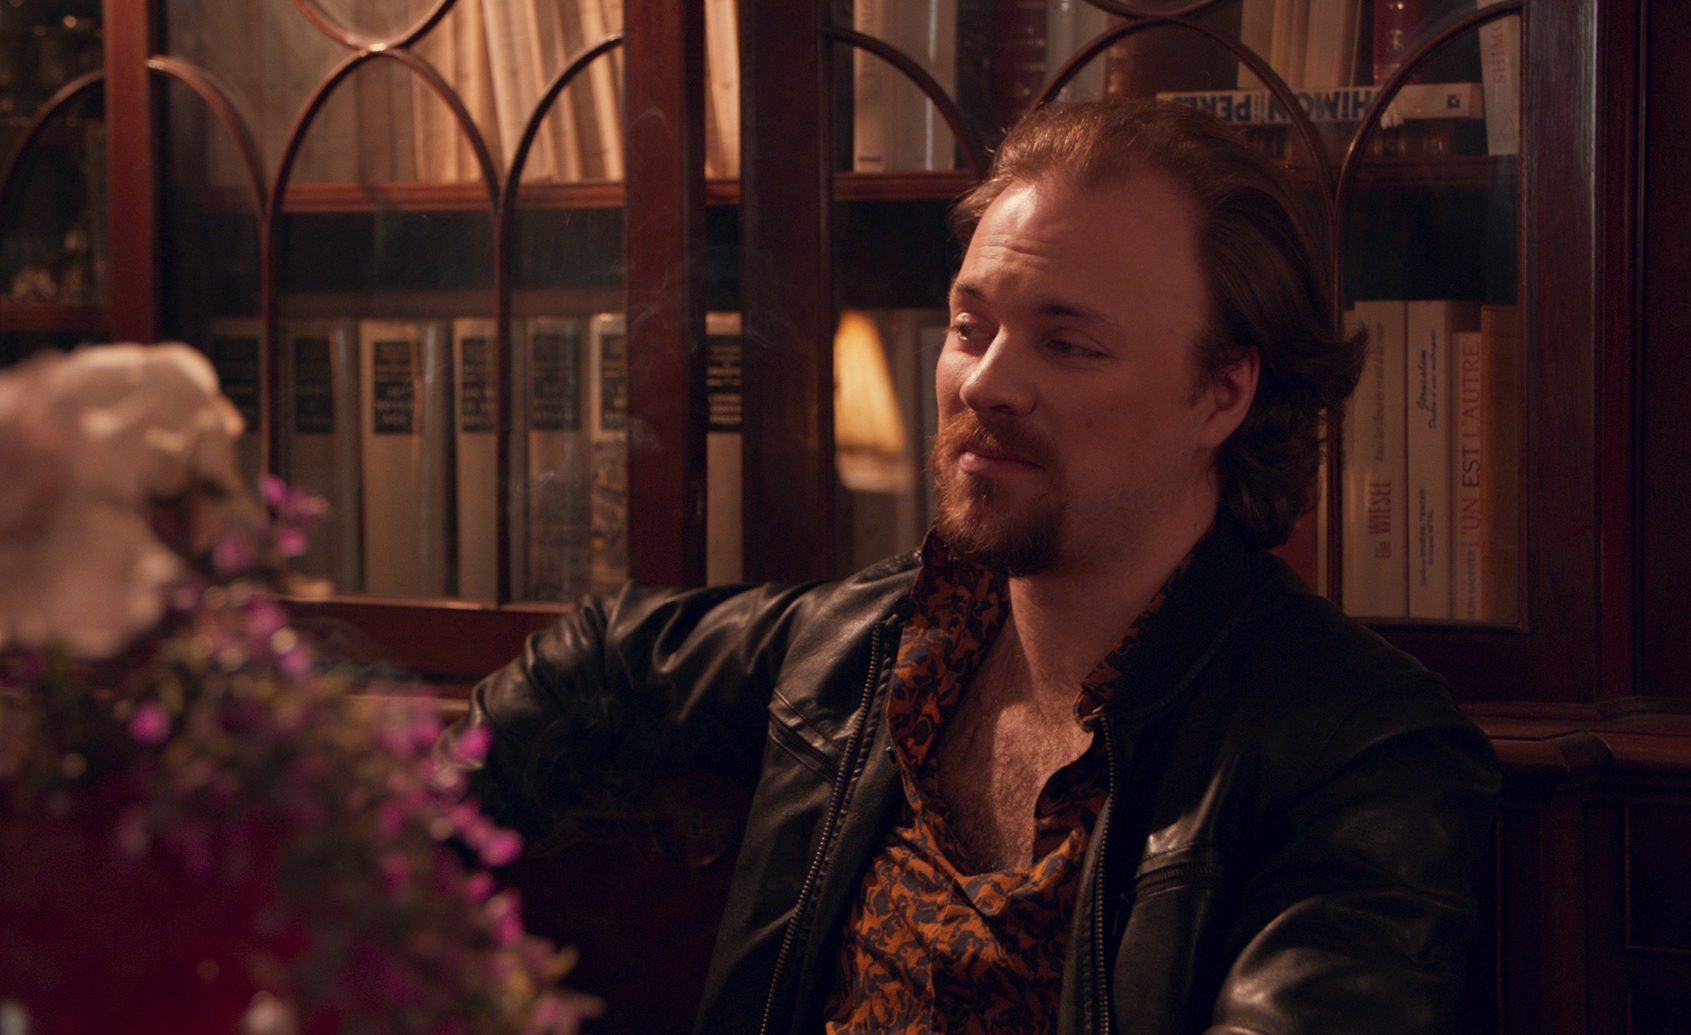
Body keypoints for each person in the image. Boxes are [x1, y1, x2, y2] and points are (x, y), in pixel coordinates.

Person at [449, 97, 1500, 1035]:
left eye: (1067, 344)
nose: (985, 383)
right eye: (970, 327)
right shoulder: (868, 643)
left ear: (1222, 394)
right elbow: (598, 659)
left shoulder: (1358, 751)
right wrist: (389, 883)